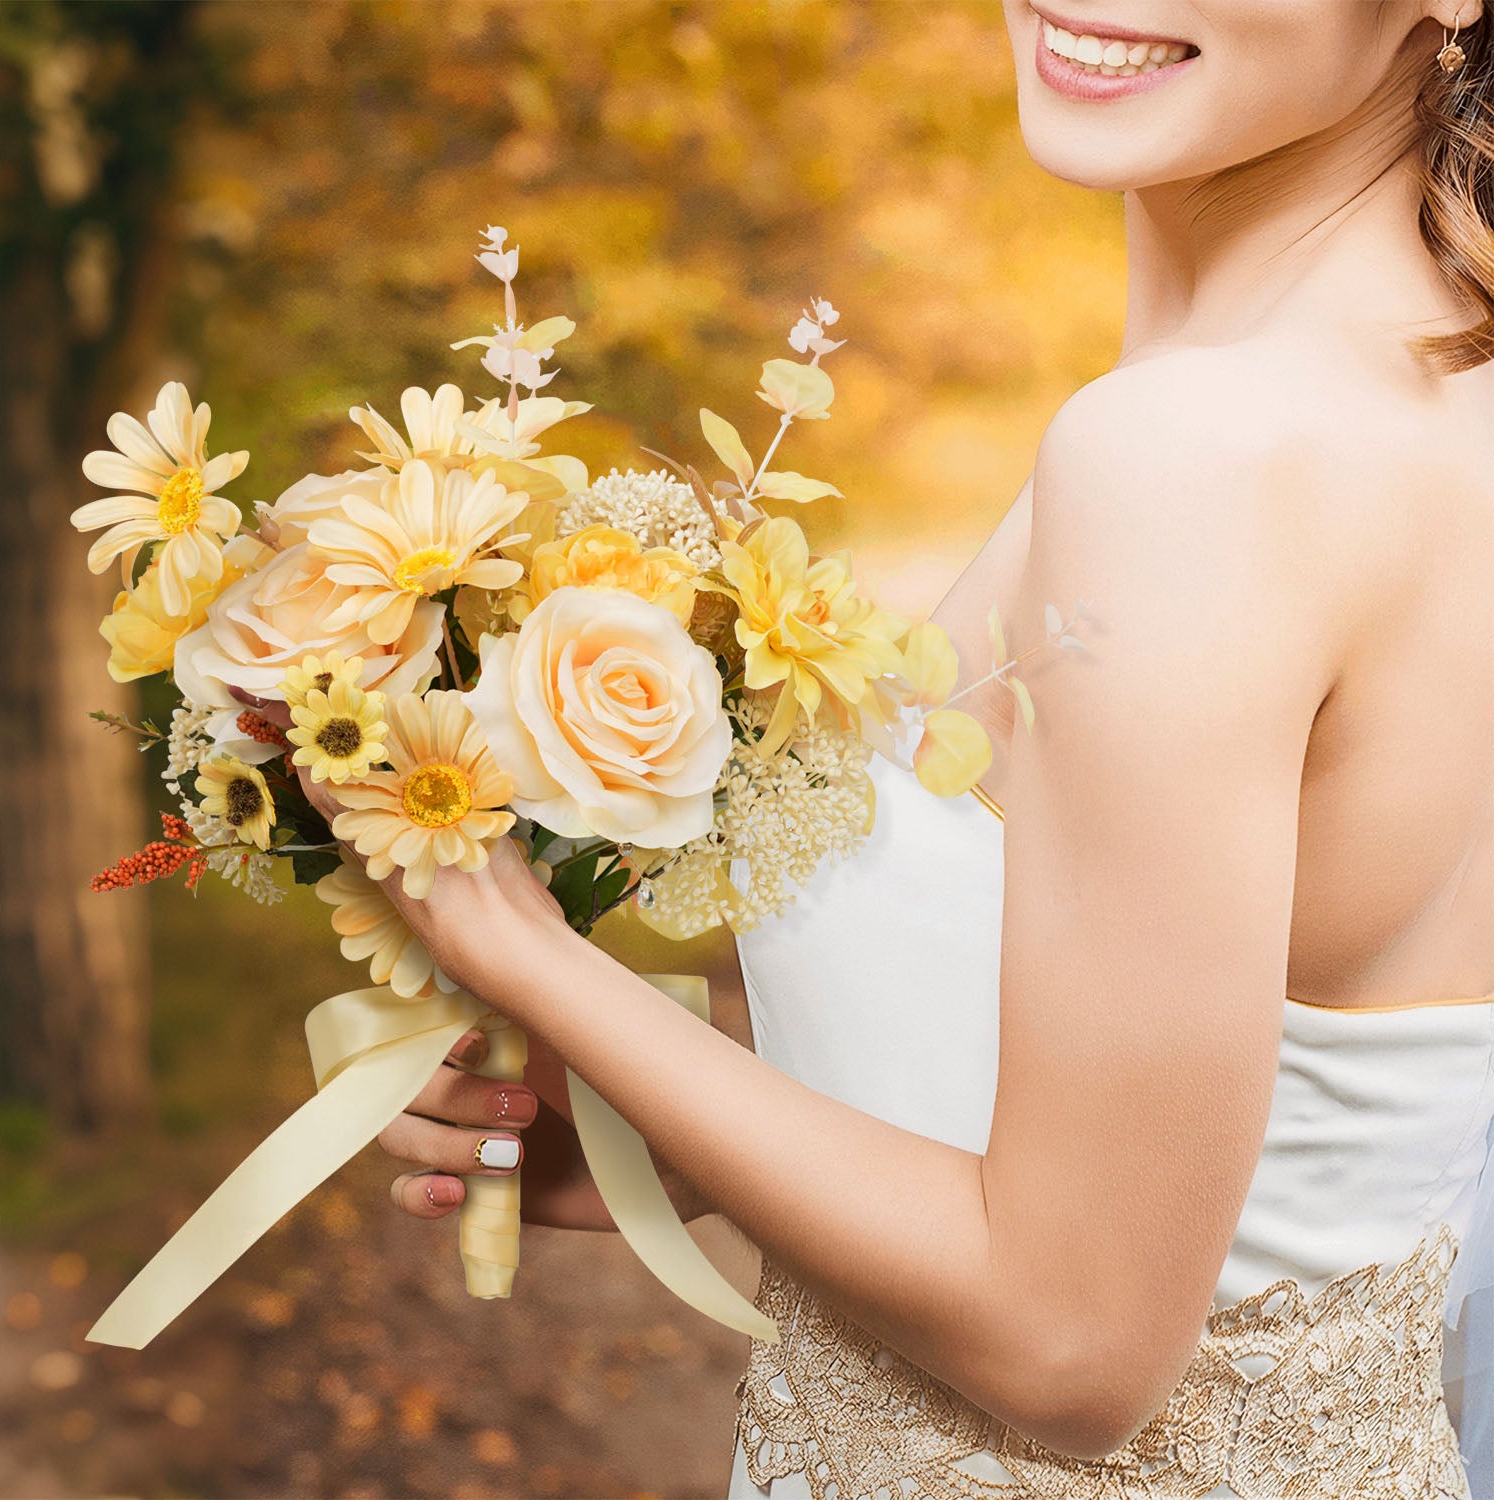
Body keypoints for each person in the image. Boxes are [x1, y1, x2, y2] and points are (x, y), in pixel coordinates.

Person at [299, 2, 1494, 1493]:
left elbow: (1073, 1344)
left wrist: (509, 936)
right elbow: (1265, 1135)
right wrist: (684, 1136)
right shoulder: (1412, 411)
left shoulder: (1194, 458)